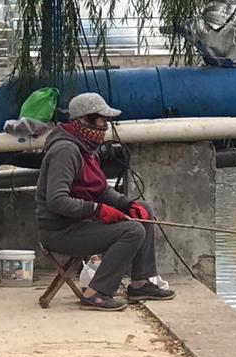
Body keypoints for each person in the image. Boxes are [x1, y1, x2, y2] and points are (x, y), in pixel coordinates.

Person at [35, 92, 175, 311]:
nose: (105, 127)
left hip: (81, 224)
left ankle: (141, 282)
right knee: (132, 231)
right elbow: (57, 201)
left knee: (143, 211)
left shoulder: (87, 149)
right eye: (101, 121)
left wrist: (126, 205)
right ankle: (97, 292)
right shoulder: (66, 151)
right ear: (83, 121)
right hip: (61, 231)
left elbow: (100, 190)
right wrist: (97, 210)